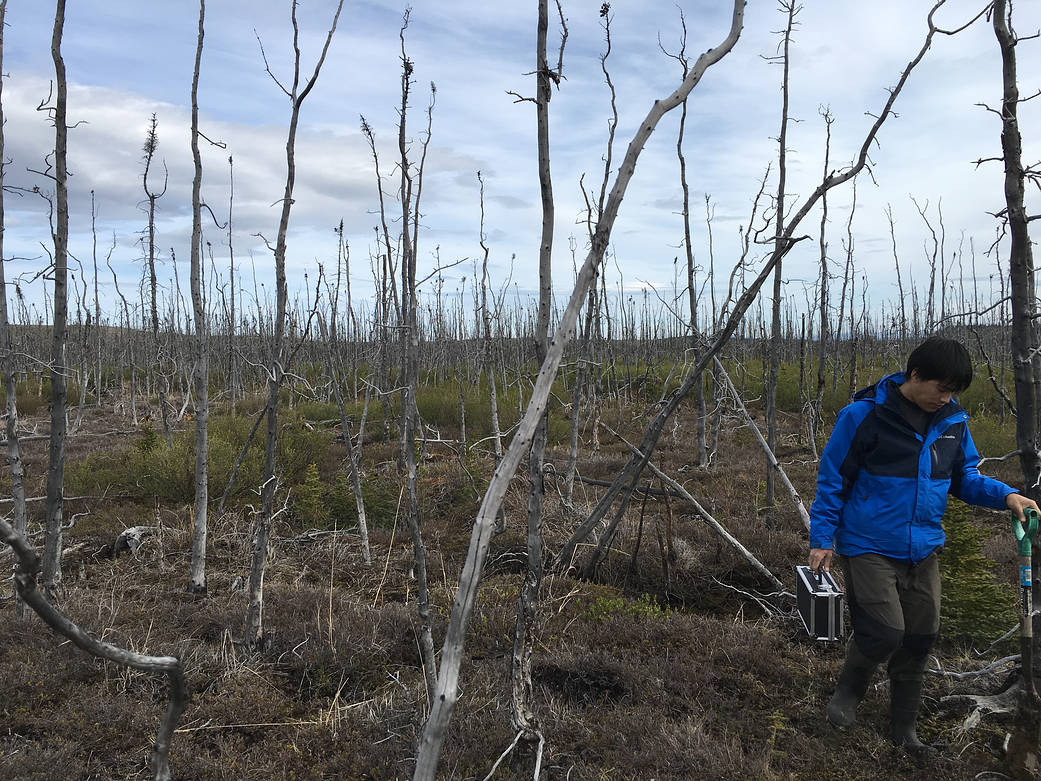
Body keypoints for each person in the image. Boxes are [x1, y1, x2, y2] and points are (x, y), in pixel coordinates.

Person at [808, 337, 1039, 752]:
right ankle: (847, 693)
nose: (946, 397)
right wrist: (822, 537)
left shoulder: (953, 422)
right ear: (915, 376)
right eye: (942, 388)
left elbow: (964, 478)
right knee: (884, 631)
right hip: (868, 544)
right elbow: (833, 479)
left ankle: (904, 730)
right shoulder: (863, 416)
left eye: (953, 391)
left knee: (919, 636)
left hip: (923, 548)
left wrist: (1006, 495)